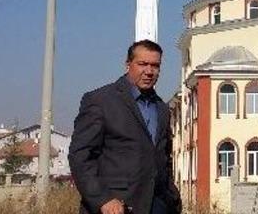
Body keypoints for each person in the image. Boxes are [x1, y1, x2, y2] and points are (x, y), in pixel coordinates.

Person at [69, 40, 182, 214]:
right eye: (142, 64)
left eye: (155, 65)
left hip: (159, 205)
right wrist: (102, 200)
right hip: (117, 206)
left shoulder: (161, 108)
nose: (149, 71)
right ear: (128, 65)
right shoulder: (101, 101)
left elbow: (163, 157)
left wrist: (172, 197)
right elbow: (80, 156)